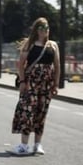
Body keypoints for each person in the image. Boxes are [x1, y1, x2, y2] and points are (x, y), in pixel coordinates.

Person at [10, 17, 59, 155]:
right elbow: (21, 65)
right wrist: (22, 81)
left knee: (41, 112)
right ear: (37, 30)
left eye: (47, 28)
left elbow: (57, 66)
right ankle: (24, 145)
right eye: (42, 28)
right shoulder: (29, 44)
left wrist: (56, 84)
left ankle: (37, 144)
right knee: (27, 112)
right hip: (31, 83)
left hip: (46, 84)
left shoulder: (52, 45)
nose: (45, 31)